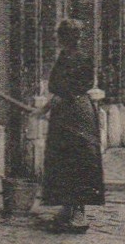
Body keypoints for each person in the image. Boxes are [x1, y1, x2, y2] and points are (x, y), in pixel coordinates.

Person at [36, 19, 106, 232]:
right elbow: (62, 90)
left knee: (75, 158)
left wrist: (47, 108)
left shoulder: (75, 59)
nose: (57, 39)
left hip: (73, 114)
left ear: (64, 37)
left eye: (60, 35)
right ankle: (69, 208)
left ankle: (77, 211)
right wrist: (45, 109)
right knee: (69, 158)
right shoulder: (71, 57)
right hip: (73, 112)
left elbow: (66, 89)